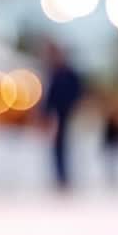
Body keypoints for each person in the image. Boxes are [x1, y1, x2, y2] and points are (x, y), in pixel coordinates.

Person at [42, 41, 84, 191]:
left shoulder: (69, 75)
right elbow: (50, 97)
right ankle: (61, 177)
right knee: (58, 148)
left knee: (69, 148)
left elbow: (78, 94)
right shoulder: (54, 74)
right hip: (58, 117)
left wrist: (74, 108)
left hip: (70, 116)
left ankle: (67, 178)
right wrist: (45, 113)